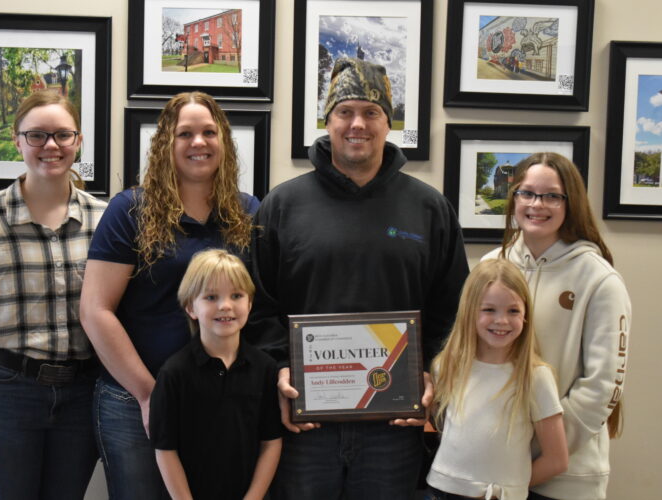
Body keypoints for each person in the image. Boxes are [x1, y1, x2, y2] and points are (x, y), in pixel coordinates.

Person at [246, 57, 470, 499]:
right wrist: (280, 369)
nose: (357, 124)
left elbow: (454, 308)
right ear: (327, 121)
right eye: (345, 112)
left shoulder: (429, 209)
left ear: (389, 123)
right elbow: (257, 304)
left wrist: (432, 372)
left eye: (371, 112)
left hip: (394, 423)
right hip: (305, 422)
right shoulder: (282, 206)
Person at [79, 91, 259, 500]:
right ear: (166, 143)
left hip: (220, 401)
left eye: (209, 132)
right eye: (185, 134)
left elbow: (261, 307)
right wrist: (149, 395)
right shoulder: (130, 211)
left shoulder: (249, 213)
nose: (199, 142)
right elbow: (94, 310)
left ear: (224, 142)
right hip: (133, 400)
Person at [0, 90, 106, 499]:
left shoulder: (104, 221)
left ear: (79, 140)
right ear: (17, 141)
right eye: (36, 135)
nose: (51, 146)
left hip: (81, 395)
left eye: (62, 135)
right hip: (9, 395)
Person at [483, 152, 631, 500]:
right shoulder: (490, 266)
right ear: (514, 198)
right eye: (527, 193)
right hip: (493, 467)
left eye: (552, 196)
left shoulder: (599, 279)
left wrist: (546, 452)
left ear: (570, 203)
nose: (537, 204)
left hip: (566, 477)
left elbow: (603, 385)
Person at [426, 259, 568, 500]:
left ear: (525, 315)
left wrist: (511, 488)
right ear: (469, 311)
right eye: (489, 310)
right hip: (441, 490)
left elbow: (557, 460)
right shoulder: (446, 366)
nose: (501, 320)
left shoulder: (535, 377)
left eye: (513, 311)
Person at [149, 249, 282, 500]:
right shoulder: (173, 373)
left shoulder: (265, 368)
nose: (225, 305)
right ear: (191, 307)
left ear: (250, 303)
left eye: (236, 295)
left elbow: (271, 441)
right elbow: (165, 449)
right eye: (211, 297)